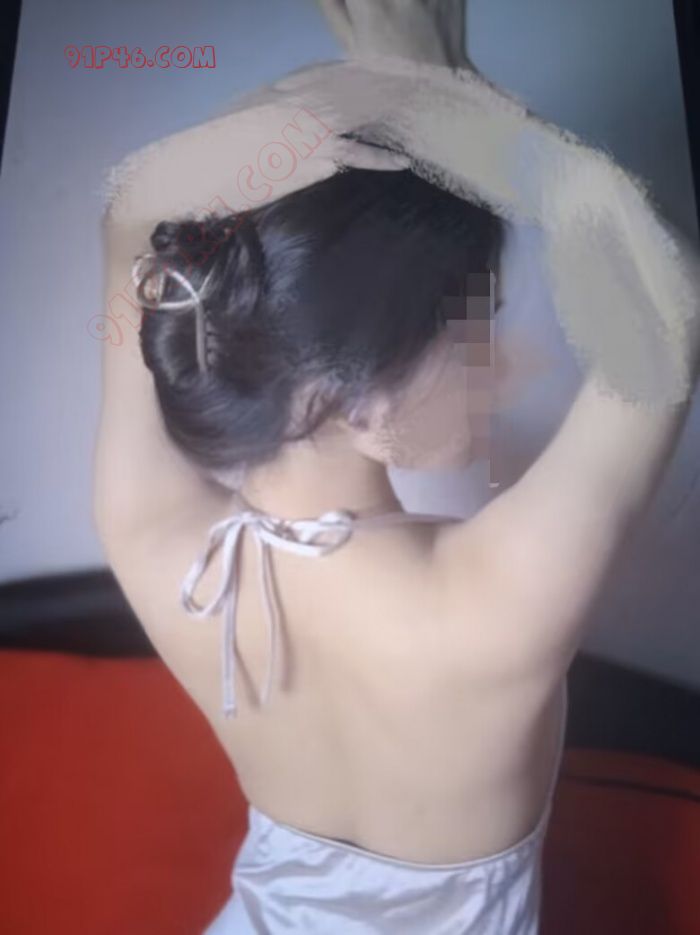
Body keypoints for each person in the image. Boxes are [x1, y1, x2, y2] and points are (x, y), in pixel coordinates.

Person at [93, 2, 700, 932]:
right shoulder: (491, 600)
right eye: (475, 333)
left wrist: (394, 100)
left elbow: (130, 223)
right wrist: (454, 100)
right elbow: (671, 300)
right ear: (357, 400)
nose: (509, 368)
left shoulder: (155, 545)